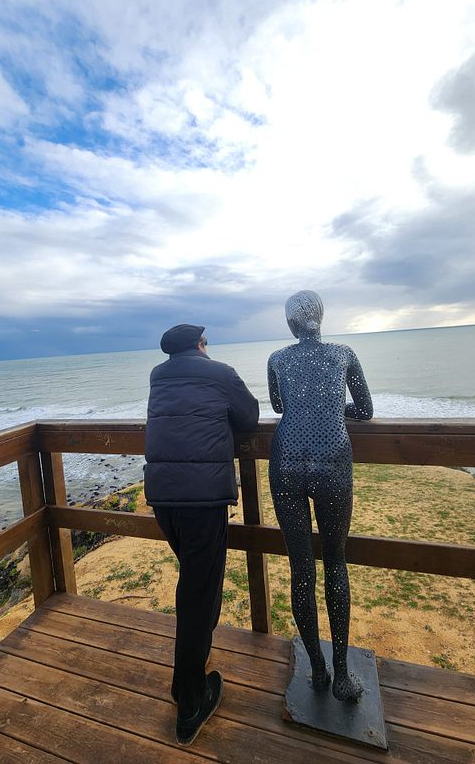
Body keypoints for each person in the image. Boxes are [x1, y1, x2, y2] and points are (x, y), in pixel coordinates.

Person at [144, 323, 259, 746]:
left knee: (197, 583)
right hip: (201, 501)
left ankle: (188, 674)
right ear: (199, 345)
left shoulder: (158, 376)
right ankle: (190, 703)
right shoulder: (221, 372)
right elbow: (250, 417)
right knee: (196, 591)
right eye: (206, 343)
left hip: (163, 499)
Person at [267, 291, 373, 701]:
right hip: (332, 465)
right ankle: (343, 675)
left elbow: (278, 406)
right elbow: (364, 408)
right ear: (321, 318)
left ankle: (317, 669)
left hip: (286, 463)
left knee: (301, 569)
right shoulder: (344, 352)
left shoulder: (277, 359)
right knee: (335, 561)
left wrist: (305, 403)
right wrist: (333, 406)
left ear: (291, 325)